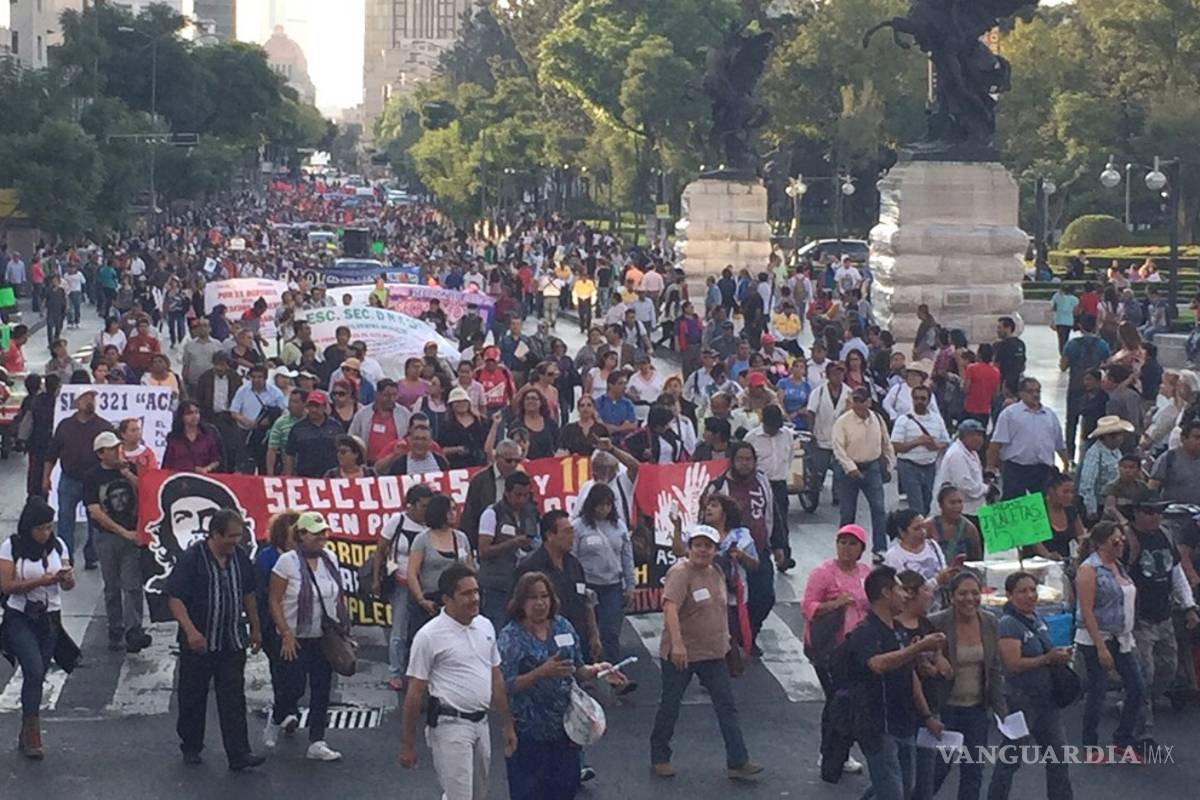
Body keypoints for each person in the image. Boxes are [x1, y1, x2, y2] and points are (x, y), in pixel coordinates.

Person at [499, 570, 627, 800]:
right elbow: (505, 686)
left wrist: (599, 670)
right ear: (521, 601)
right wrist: (540, 673)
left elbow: (577, 670)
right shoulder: (511, 637)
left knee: (565, 790)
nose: (539, 603)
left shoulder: (563, 627)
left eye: (544, 596)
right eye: (532, 597)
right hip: (529, 733)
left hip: (566, 730)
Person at [650, 525, 763, 781]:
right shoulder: (680, 573)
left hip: (713, 653)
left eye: (708, 546)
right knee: (670, 705)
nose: (702, 550)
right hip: (683, 654)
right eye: (698, 545)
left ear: (714, 550)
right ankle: (660, 756)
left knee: (727, 706)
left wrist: (728, 641)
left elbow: (720, 608)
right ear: (689, 548)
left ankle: (738, 760)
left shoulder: (716, 571)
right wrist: (677, 645)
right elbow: (670, 609)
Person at [400, 564, 518, 799]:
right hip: (449, 726)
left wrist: (507, 724)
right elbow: (414, 692)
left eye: (476, 591)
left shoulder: (485, 626)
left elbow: (496, 678)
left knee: (478, 795)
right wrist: (408, 745)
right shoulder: (429, 636)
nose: (474, 598)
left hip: (481, 723)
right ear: (447, 599)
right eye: (466, 594)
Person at [165, 508, 265, 770]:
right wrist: (191, 632)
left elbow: (249, 593)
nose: (235, 541)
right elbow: (175, 598)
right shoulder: (192, 559)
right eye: (231, 536)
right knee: (193, 696)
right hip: (200, 643)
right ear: (215, 534)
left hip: (231, 640)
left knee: (233, 698)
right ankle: (191, 746)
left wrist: (255, 628)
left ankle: (239, 753)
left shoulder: (240, 558)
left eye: (239, 535)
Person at [841, 566, 944, 800]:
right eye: (900, 589)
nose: (906, 595)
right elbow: (876, 664)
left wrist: (926, 716)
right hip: (878, 727)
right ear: (886, 592)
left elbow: (909, 675)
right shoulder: (866, 631)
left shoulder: (897, 630)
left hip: (904, 723)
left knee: (901, 789)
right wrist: (918, 647)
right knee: (892, 792)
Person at [985, 571, 1075, 800]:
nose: (1029, 596)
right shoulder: (1009, 625)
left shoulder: (1038, 619)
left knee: (1058, 757)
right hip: (1020, 701)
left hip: (1046, 700)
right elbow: (1012, 664)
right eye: (1022, 591)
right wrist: (1047, 659)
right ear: (1010, 595)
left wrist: (1059, 656)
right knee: (1010, 760)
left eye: (1032, 590)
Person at [267, 511, 347, 762]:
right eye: (316, 533)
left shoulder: (330, 558)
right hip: (296, 636)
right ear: (301, 535)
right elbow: (274, 599)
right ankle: (279, 715)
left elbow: (337, 595)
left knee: (322, 688)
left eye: (324, 532)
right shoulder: (287, 562)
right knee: (294, 687)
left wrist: (343, 627)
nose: (322, 538)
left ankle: (317, 740)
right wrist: (285, 633)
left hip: (323, 636)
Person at [0, 497, 74, 759]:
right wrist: (38, 582)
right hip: (20, 615)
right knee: (31, 667)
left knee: (39, 672)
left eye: (49, 527)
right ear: (29, 527)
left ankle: (27, 723)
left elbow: (67, 584)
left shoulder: (58, 546)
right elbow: (6, 586)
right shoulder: (12, 547)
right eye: (41, 528)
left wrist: (66, 579)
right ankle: (33, 729)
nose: (46, 533)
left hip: (49, 617)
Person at [1122, 497, 1200, 742]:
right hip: (1139, 619)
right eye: (1149, 511)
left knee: (1168, 667)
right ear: (1136, 513)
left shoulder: (1165, 536)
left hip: (1164, 616)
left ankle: (1136, 700)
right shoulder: (1125, 541)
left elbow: (1175, 573)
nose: (1155, 516)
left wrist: (1188, 606)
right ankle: (1142, 730)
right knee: (1144, 672)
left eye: (1158, 511)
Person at [927, 570, 1006, 800]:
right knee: (938, 770)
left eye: (974, 593)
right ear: (952, 597)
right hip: (945, 708)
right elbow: (920, 656)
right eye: (963, 593)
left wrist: (1003, 712)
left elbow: (994, 668)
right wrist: (936, 659)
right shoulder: (936, 622)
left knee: (973, 772)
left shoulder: (990, 621)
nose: (969, 599)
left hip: (976, 710)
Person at [802, 524, 870, 779]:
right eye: (842, 542)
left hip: (856, 647)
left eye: (852, 543)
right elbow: (808, 607)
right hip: (829, 649)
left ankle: (841, 750)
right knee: (835, 699)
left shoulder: (865, 573)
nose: (846, 548)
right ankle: (830, 751)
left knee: (850, 699)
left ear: (861, 549)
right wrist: (836, 603)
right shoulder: (823, 573)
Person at [1075, 521, 1145, 756]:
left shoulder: (1119, 566)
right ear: (1102, 543)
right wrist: (1100, 647)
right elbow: (1086, 610)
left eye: (1122, 539)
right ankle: (1089, 743)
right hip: (1098, 638)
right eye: (1116, 540)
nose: (1121, 543)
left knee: (1137, 688)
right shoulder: (1089, 570)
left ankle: (1122, 739)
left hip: (1122, 638)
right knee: (1098, 691)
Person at [703, 442, 776, 654]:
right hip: (727, 557)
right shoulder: (718, 486)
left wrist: (780, 544)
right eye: (740, 459)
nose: (745, 464)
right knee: (728, 603)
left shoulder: (761, 481)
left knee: (765, 596)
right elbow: (705, 518)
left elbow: (772, 513)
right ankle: (729, 643)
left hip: (757, 549)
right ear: (732, 461)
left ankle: (750, 633)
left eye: (749, 459)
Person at [85, 431, 151, 653]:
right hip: (107, 537)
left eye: (117, 448)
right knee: (112, 586)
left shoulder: (128, 469)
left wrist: (129, 475)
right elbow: (95, 511)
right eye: (111, 449)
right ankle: (115, 629)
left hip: (131, 536)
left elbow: (147, 492)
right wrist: (123, 532)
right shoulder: (92, 477)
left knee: (132, 585)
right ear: (101, 454)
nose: (116, 452)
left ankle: (134, 631)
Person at [44, 388, 114, 568]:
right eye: (85, 398)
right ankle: (66, 559)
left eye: (92, 398)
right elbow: (51, 454)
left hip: (95, 482)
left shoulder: (104, 427)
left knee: (96, 521)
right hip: (69, 480)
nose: (90, 401)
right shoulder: (65, 426)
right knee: (65, 520)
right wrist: (46, 478)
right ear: (77, 403)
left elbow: (114, 455)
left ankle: (92, 556)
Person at [570, 484, 635, 665]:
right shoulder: (578, 527)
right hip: (588, 585)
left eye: (607, 505)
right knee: (587, 631)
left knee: (611, 632)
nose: (604, 509)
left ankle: (614, 671)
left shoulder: (619, 526)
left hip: (612, 586)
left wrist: (630, 586)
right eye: (600, 505)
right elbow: (572, 559)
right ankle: (588, 671)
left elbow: (627, 557)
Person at [833, 386, 896, 557]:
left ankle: (880, 548)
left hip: (872, 467)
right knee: (847, 512)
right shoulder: (843, 421)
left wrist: (890, 465)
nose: (858, 404)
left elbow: (886, 443)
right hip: (850, 470)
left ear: (869, 402)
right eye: (856, 401)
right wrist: (850, 468)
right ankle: (844, 549)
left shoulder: (877, 419)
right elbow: (838, 448)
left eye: (862, 401)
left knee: (878, 509)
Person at [406, 493, 475, 648]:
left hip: (458, 600)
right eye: (449, 510)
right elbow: (412, 572)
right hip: (432, 601)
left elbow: (470, 568)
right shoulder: (422, 539)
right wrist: (421, 599)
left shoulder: (461, 537)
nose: (454, 514)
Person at [478, 471, 541, 629]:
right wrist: (512, 543)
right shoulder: (492, 513)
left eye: (526, 495)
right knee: (497, 627)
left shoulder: (531, 513)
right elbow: (483, 550)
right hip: (496, 585)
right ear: (507, 493)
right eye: (518, 495)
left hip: (522, 584)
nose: (522, 499)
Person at [988, 378, 1068, 500]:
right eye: (1030, 391)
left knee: (1044, 504)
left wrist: (1065, 463)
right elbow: (996, 443)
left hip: (1042, 470)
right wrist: (991, 468)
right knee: (1013, 504)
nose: (1035, 394)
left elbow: (1059, 443)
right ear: (1021, 393)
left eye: (1038, 391)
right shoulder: (1009, 414)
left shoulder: (1050, 415)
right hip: (1015, 468)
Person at [744, 404, 796, 571]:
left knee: (781, 521)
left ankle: (784, 556)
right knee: (760, 520)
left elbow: (789, 457)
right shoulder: (752, 438)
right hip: (758, 484)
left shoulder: (788, 435)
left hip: (778, 483)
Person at [891, 385, 950, 516]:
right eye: (916, 398)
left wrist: (935, 446)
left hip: (929, 466)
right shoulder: (904, 420)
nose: (919, 401)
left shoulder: (937, 419)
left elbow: (946, 442)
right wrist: (917, 442)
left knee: (927, 502)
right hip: (909, 466)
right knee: (917, 505)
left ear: (928, 401)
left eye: (923, 398)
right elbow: (895, 446)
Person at [1060, 314, 1110, 463]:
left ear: (1080, 327)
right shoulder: (1102, 344)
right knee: (1093, 421)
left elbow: (1063, 366)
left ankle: (1069, 455)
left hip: (1075, 386)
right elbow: (1107, 364)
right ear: (1095, 326)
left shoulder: (1072, 344)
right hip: (1095, 389)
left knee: (1071, 421)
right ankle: (1090, 453)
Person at [883, 509, 956, 607]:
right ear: (902, 532)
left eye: (923, 527)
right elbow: (902, 589)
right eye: (916, 529)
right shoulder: (894, 556)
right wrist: (936, 581)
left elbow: (943, 567)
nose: (923, 532)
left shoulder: (932, 545)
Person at [805, 361, 850, 505]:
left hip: (840, 439)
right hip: (821, 436)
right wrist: (811, 431)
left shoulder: (848, 392)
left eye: (841, 373)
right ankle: (814, 491)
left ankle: (837, 495)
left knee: (839, 469)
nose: (838, 376)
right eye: (835, 374)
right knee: (819, 469)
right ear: (828, 376)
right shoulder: (818, 392)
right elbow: (811, 412)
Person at [1077, 415, 1131, 521]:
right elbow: (1087, 484)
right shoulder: (1094, 454)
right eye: (1119, 435)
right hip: (1101, 505)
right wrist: (1091, 509)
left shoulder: (1116, 451)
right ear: (1108, 437)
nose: (1122, 437)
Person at [284, 391, 342, 477]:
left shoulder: (336, 427)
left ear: (324, 407)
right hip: (305, 477)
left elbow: (342, 452)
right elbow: (290, 455)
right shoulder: (297, 428)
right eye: (311, 406)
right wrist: (287, 478)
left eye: (317, 406)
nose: (314, 410)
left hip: (331, 477)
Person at [162, 401, 222, 473]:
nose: (194, 416)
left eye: (196, 412)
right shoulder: (174, 438)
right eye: (189, 413)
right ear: (182, 417)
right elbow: (167, 464)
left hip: (204, 479)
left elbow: (216, 460)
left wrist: (207, 469)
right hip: (179, 479)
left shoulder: (207, 435)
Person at [930, 485, 983, 562]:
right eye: (952, 503)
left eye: (960, 502)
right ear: (941, 505)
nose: (957, 506)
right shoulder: (928, 527)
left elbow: (977, 559)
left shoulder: (970, 529)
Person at [993, 316, 1026, 390]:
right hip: (1017, 384)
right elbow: (1023, 365)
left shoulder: (1001, 345)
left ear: (1008, 328)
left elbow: (996, 367)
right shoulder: (1021, 344)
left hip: (1004, 383)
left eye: (999, 327)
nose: (997, 330)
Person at [1050, 284, 1079, 356]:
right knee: (1066, 337)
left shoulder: (1057, 297)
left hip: (1059, 320)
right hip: (1069, 321)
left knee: (1060, 339)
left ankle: (1062, 354)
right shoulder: (1075, 299)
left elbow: (1054, 308)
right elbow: (1076, 311)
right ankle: (1065, 352)